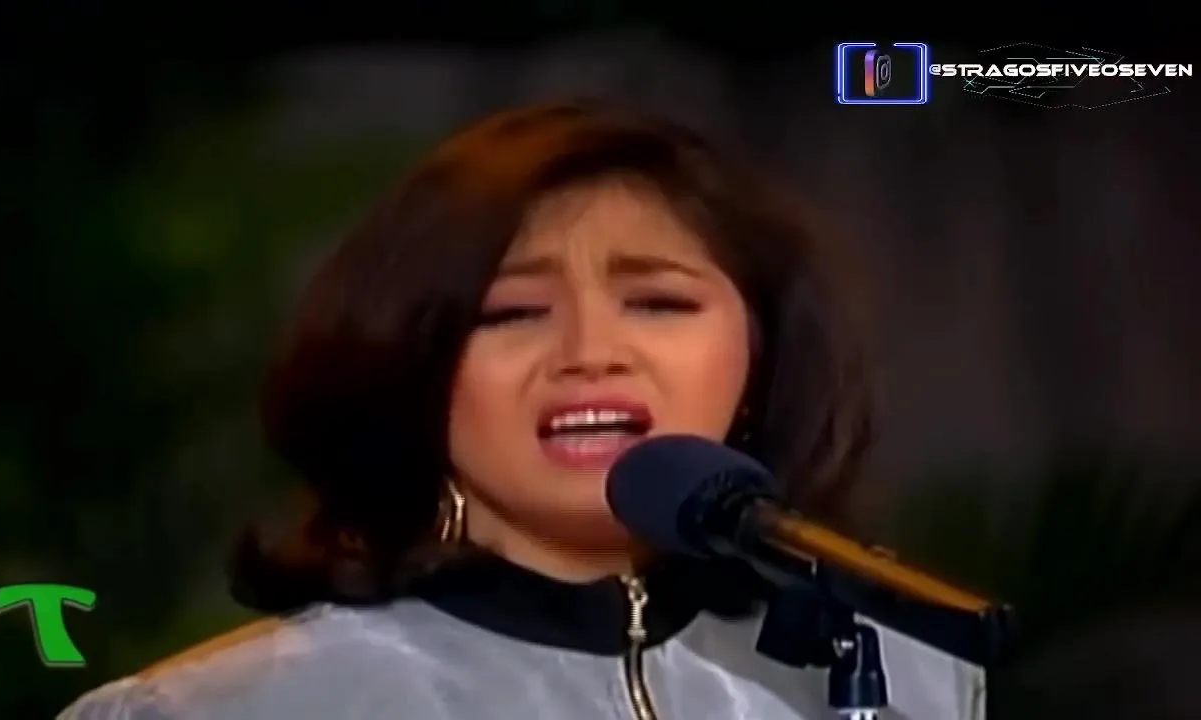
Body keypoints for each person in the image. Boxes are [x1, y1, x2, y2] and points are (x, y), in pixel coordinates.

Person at [60, 102, 984, 719]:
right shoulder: (226, 710)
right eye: (510, 313)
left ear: (762, 357)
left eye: (658, 302)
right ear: (412, 368)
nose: (590, 352)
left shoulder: (904, 677)